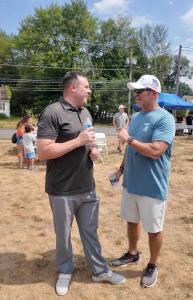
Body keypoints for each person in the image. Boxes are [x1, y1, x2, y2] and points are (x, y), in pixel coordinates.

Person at [37, 71, 126, 296]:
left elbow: (88, 140)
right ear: (73, 88)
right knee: (63, 234)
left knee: (90, 232)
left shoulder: (85, 111)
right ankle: (65, 272)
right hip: (62, 190)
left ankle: (99, 271)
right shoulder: (52, 112)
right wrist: (78, 141)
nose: (89, 90)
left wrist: (92, 151)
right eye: (86, 86)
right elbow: (44, 151)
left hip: (88, 186)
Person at [110, 75, 175, 288]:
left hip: (152, 186)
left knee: (154, 228)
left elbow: (156, 151)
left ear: (154, 93)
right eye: (135, 91)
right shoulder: (136, 117)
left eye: (140, 91)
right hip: (131, 183)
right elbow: (131, 149)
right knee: (131, 220)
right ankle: (132, 253)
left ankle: (153, 264)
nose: (136, 95)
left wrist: (128, 138)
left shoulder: (165, 119)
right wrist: (120, 170)